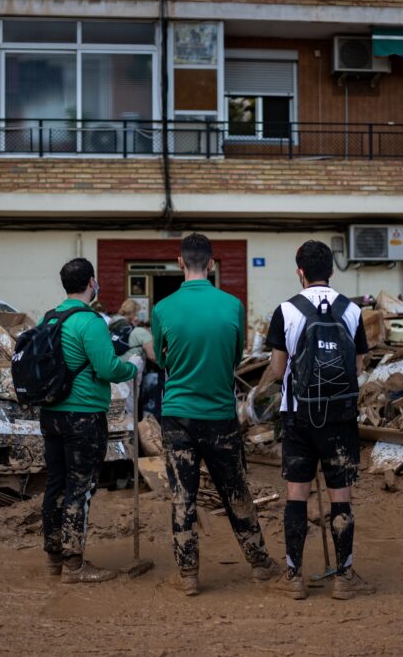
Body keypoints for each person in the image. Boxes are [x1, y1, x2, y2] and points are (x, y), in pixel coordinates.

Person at [151, 233, 280, 595]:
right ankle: (259, 563)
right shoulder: (233, 305)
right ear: (211, 263)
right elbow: (235, 356)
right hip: (220, 414)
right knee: (236, 490)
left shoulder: (162, 309)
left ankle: (188, 574)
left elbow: (163, 361)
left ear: (179, 262)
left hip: (177, 415)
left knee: (182, 496)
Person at [265, 240, 374, 601]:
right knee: (340, 497)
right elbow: (357, 367)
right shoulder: (352, 311)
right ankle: (344, 577)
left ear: (300, 271)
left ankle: (293, 575)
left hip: (299, 416)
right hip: (340, 418)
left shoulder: (286, 310)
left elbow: (279, 369)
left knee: (297, 495)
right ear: (332, 270)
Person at [39, 258, 139, 583]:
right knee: (79, 487)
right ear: (92, 283)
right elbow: (107, 368)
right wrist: (133, 366)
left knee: (55, 483)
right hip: (82, 415)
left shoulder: (50, 318)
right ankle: (75, 564)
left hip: (51, 413)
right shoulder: (90, 321)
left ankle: (54, 557)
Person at [112, 298, 156, 365]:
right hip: (126, 363)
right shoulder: (124, 324)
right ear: (133, 311)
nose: (138, 314)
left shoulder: (113, 321)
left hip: (114, 359)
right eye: (137, 312)